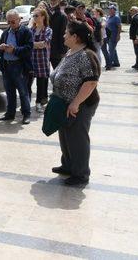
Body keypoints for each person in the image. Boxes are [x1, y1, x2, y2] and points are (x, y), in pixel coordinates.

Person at [50, 21, 100, 186]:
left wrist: (76, 103)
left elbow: (91, 82)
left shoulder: (86, 55)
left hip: (81, 105)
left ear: (75, 37)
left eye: (66, 33)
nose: (64, 35)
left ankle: (80, 174)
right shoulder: (71, 51)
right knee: (65, 136)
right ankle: (68, 165)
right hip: (64, 102)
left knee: (77, 139)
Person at [0, 10, 34, 124]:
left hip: (20, 67)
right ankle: (10, 113)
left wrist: (14, 50)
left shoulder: (26, 31)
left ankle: (26, 114)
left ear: (19, 19)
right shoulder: (6, 32)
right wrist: (0, 47)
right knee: (9, 92)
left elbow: (28, 49)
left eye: (13, 21)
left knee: (23, 92)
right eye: (8, 22)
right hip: (6, 65)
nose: (11, 24)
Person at [29, 8, 52, 113]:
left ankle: (38, 103)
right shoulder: (31, 30)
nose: (34, 18)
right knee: (27, 83)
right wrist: (36, 45)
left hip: (42, 61)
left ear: (43, 16)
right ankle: (26, 103)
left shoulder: (48, 30)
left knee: (41, 84)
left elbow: (44, 44)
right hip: (31, 60)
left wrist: (32, 44)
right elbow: (28, 44)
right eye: (33, 16)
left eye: (36, 16)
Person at [47, 0, 68, 69]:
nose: (52, 1)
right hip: (45, 48)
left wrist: (63, 51)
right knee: (43, 75)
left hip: (57, 49)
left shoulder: (62, 16)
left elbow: (63, 34)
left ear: (59, 0)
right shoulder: (45, 13)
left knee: (58, 73)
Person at [104, 5, 122, 70]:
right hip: (108, 36)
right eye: (109, 9)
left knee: (111, 50)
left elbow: (119, 27)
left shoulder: (116, 18)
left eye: (111, 9)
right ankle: (116, 63)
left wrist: (118, 35)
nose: (110, 10)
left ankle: (110, 64)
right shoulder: (108, 17)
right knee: (113, 49)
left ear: (114, 10)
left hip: (113, 36)